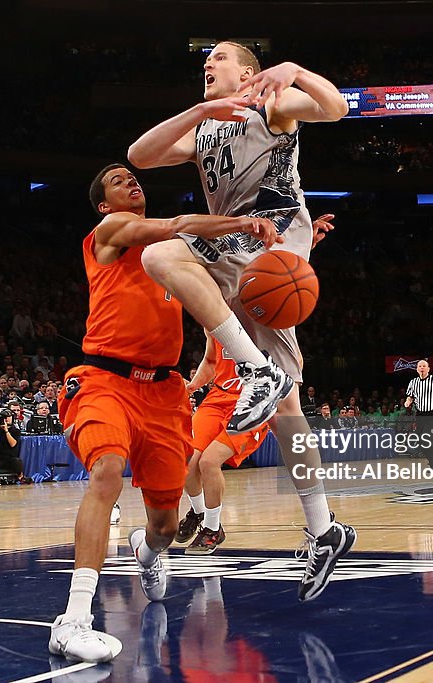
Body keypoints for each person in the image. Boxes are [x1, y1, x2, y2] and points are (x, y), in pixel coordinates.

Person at [129, 41, 355, 601]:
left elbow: (337, 109)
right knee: (287, 407)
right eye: (206, 60)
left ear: (249, 72)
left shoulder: (272, 103)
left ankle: (256, 371)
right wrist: (201, 111)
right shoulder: (206, 126)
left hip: (269, 246)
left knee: (160, 254)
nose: (208, 63)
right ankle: (325, 528)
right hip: (232, 250)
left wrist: (296, 70)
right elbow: (140, 155)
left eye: (221, 57)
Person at [48, 163, 278, 664]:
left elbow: (225, 271)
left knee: (166, 528)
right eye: (116, 180)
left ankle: (147, 553)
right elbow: (176, 224)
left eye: (134, 177)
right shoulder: (108, 231)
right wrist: (241, 222)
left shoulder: (174, 259)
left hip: (165, 393)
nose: (132, 181)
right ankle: (73, 621)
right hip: (104, 378)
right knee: (106, 469)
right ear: (104, 204)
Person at [177, 335, 270, 555]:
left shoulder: (266, 316)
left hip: (253, 400)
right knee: (186, 458)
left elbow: (293, 363)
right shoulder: (213, 312)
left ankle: (212, 528)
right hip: (218, 396)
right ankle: (200, 512)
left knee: (209, 462)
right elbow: (211, 361)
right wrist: (192, 386)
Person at [404, 360, 433, 470]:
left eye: (424, 366)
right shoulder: (413, 382)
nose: (422, 368)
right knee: (421, 441)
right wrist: (408, 401)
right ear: (416, 369)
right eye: (419, 366)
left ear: (428, 369)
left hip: (432, 413)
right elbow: (410, 396)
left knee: (427, 436)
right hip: (420, 414)